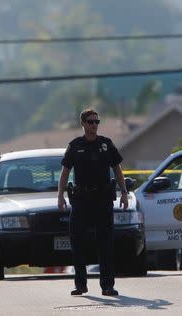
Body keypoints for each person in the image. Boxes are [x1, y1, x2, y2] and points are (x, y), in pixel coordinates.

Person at [58, 108, 129, 296]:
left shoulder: (106, 144)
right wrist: (60, 197)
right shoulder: (75, 146)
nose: (94, 125)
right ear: (82, 123)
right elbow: (65, 172)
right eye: (90, 122)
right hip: (81, 200)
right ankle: (80, 284)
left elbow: (117, 169)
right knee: (78, 243)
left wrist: (124, 192)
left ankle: (107, 285)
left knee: (105, 244)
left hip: (102, 199)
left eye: (97, 122)